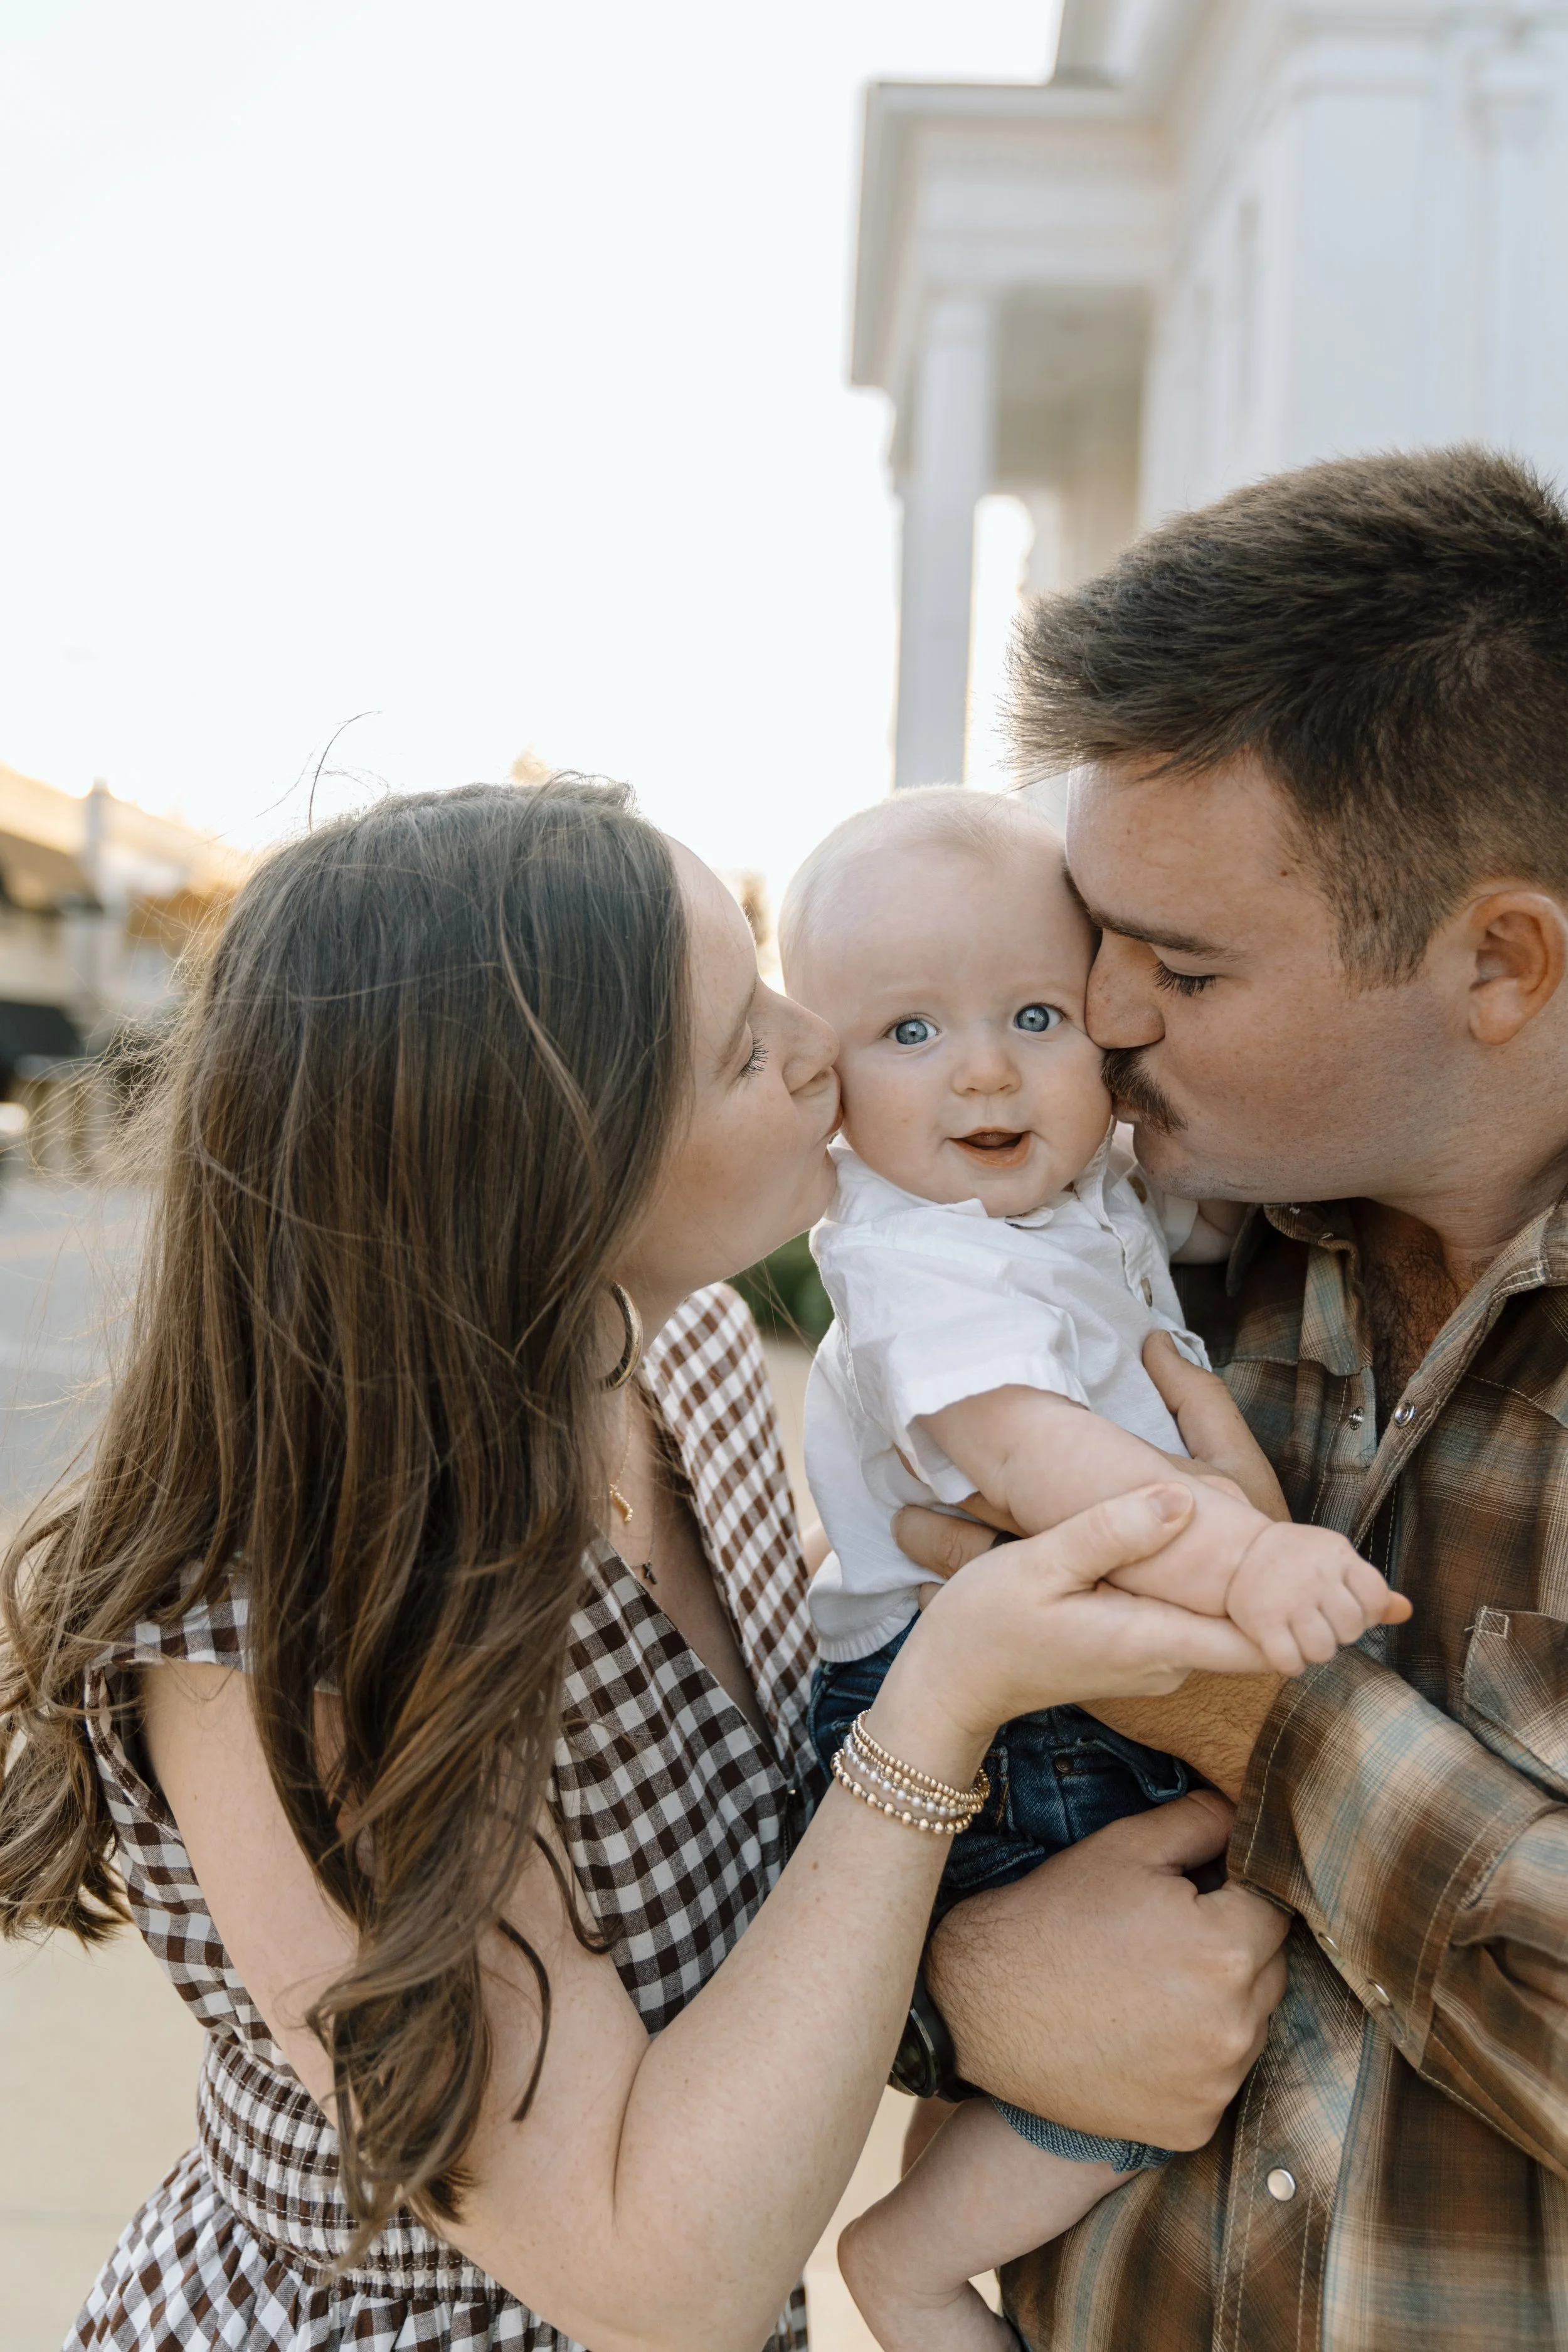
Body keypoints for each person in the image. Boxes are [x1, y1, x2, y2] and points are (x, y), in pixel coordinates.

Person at [0, 778, 1269, 2352]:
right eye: (743, 1049)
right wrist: (941, 1699)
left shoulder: (693, 1367)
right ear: (544, 1173)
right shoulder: (288, 1639)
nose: (817, 1046)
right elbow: (650, 2283)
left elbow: (775, 1870)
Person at [894, 449, 1568, 2352]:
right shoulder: (1104, 1263)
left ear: (1496, 961)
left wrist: (1243, 1716)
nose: (1100, 1014)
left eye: (1179, 967)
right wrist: (953, 1986)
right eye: (1092, 934)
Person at [772, 785, 1405, 2351]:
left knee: (1135, 1998)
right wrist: (1242, 1550)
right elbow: (1037, 1462)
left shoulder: (1062, 1195)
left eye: (1035, 1015)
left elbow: (1181, 1229)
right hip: (1003, 1724)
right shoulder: (916, 1263)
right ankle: (912, 2265)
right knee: (1136, 2042)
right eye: (908, 1032)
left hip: (1051, 1685)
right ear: (826, 1087)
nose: (984, 1068)